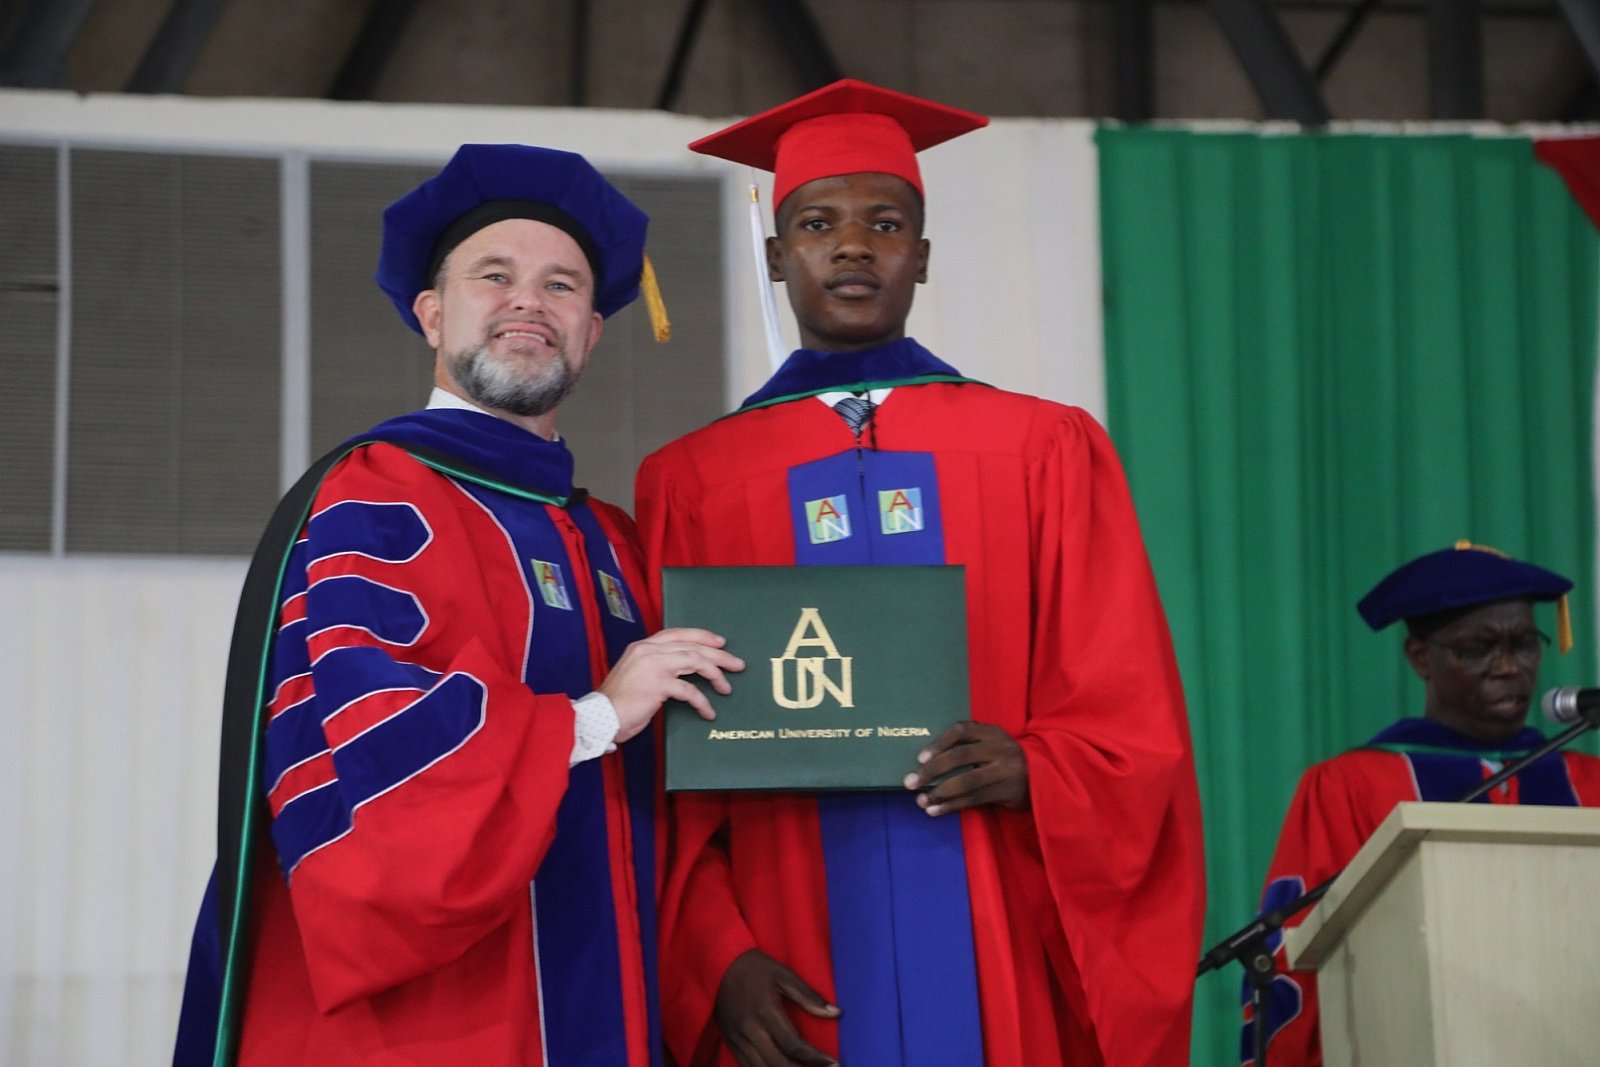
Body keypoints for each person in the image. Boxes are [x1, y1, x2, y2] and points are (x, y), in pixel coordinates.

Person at [634, 80, 1206, 1067]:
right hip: (786, 913)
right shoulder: (693, 480)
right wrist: (714, 952)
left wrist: (1042, 768)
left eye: (886, 224)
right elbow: (662, 757)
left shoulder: (1044, 446)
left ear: (925, 256)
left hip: (994, 901)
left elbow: (1127, 702)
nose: (853, 247)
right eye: (818, 224)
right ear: (776, 256)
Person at [172, 143, 743, 1065]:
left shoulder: (610, 538)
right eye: (495, 275)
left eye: (561, 285)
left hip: (605, 995)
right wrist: (594, 717)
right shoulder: (378, 493)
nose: (529, 301)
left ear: (592, 330)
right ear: (432, 313)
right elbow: (375, 731)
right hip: (439, 1019)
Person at [1242, 541, 1600, 1067]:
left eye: (1525, 644)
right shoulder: (1351, 786)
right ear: (1420, 658)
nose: (1508, 667)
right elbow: (1296, 954)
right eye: (1479, 648)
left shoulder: (1589, 783)